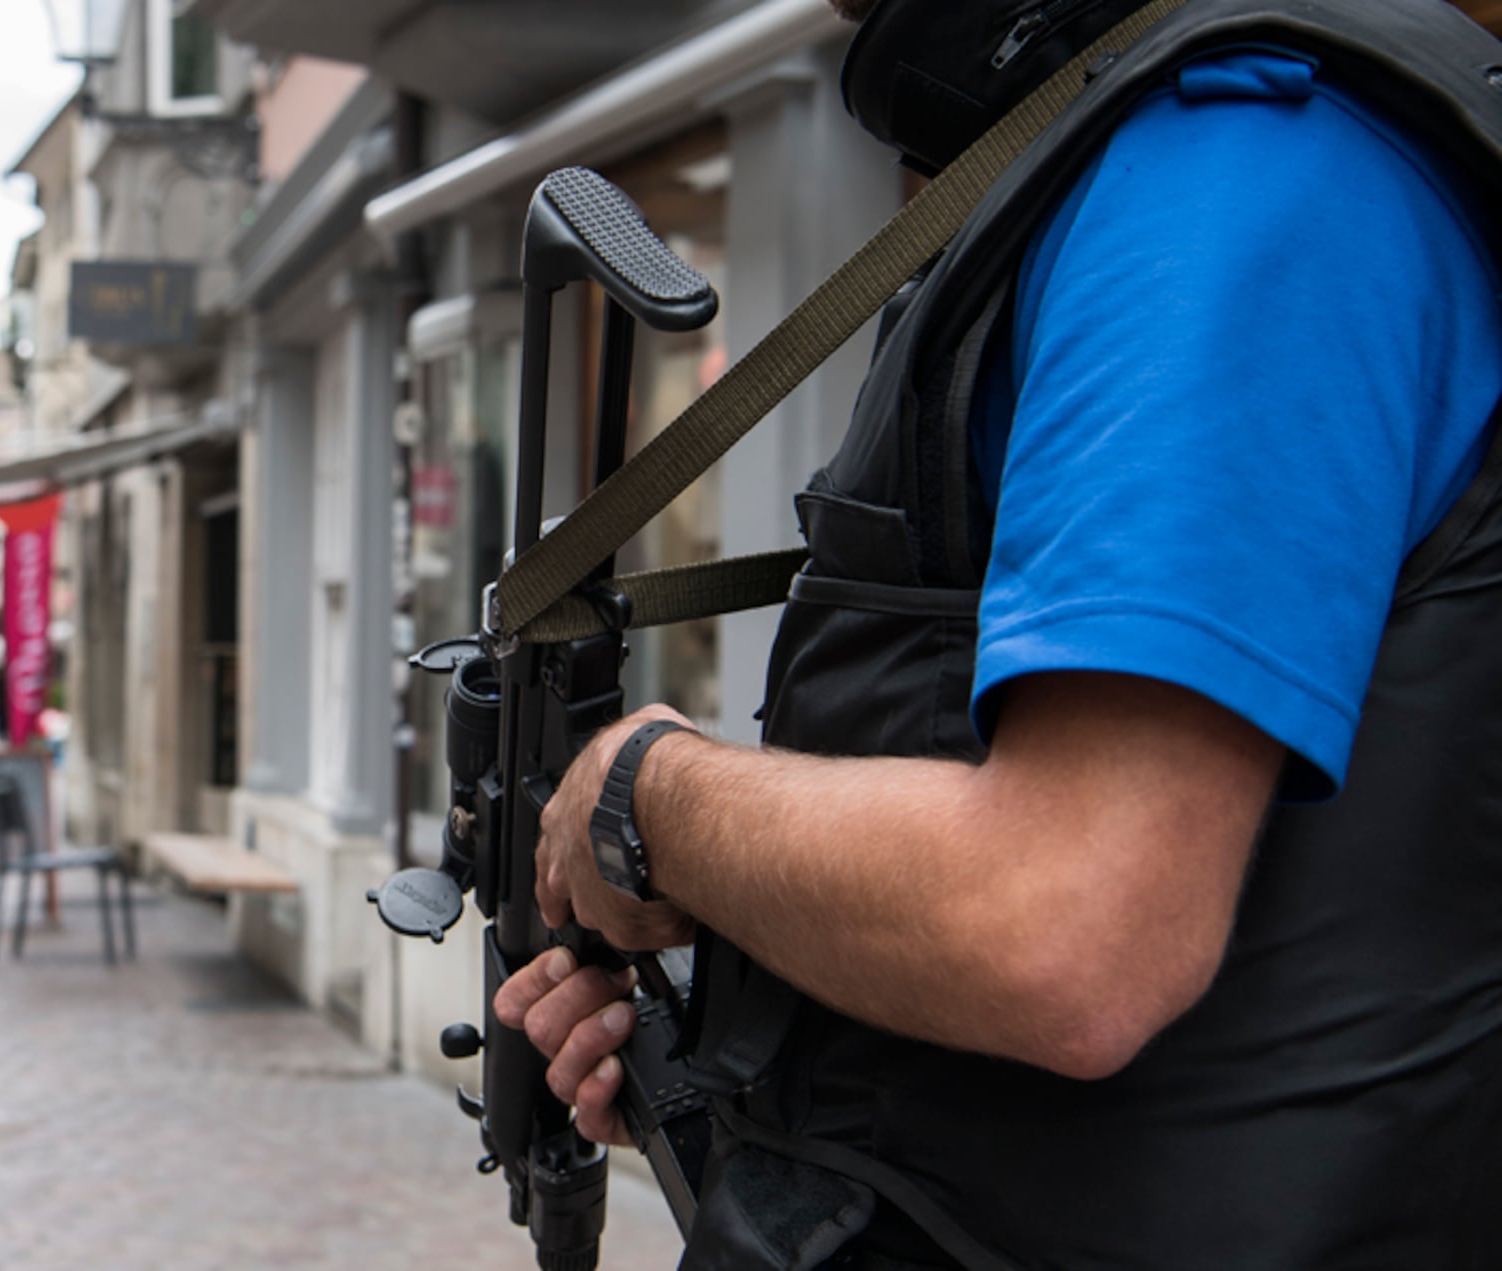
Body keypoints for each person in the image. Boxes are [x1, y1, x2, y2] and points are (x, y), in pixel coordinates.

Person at [494, 1, 1502, 1266]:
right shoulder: (1178, 167)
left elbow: (1069, 929)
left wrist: (646, 794)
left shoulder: (1240, 171)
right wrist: (747, 1049)